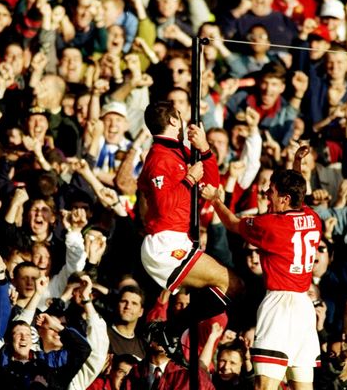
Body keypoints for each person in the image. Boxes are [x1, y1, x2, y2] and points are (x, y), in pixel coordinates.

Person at [202, 168, 322, 390]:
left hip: (279, 306)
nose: (267, 193)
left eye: (272, 191)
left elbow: (232, 223)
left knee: (264, 386)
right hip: (304, 308)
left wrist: (215, 200)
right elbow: (297, 196)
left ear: (285, 199)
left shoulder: (271, 225)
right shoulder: (312, 218)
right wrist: (295, 164)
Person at [137, 101, 243, 319]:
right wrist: (189, 179)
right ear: (174, 120)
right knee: (231, 283)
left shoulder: (177, 152)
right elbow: (163, 206)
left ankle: (173, 329)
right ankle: (173, 329)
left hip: (180, 238)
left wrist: (204, 148)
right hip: (165, 243)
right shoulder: (159, 158)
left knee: (232, 286)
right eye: (180, 115)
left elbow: (212, 183)